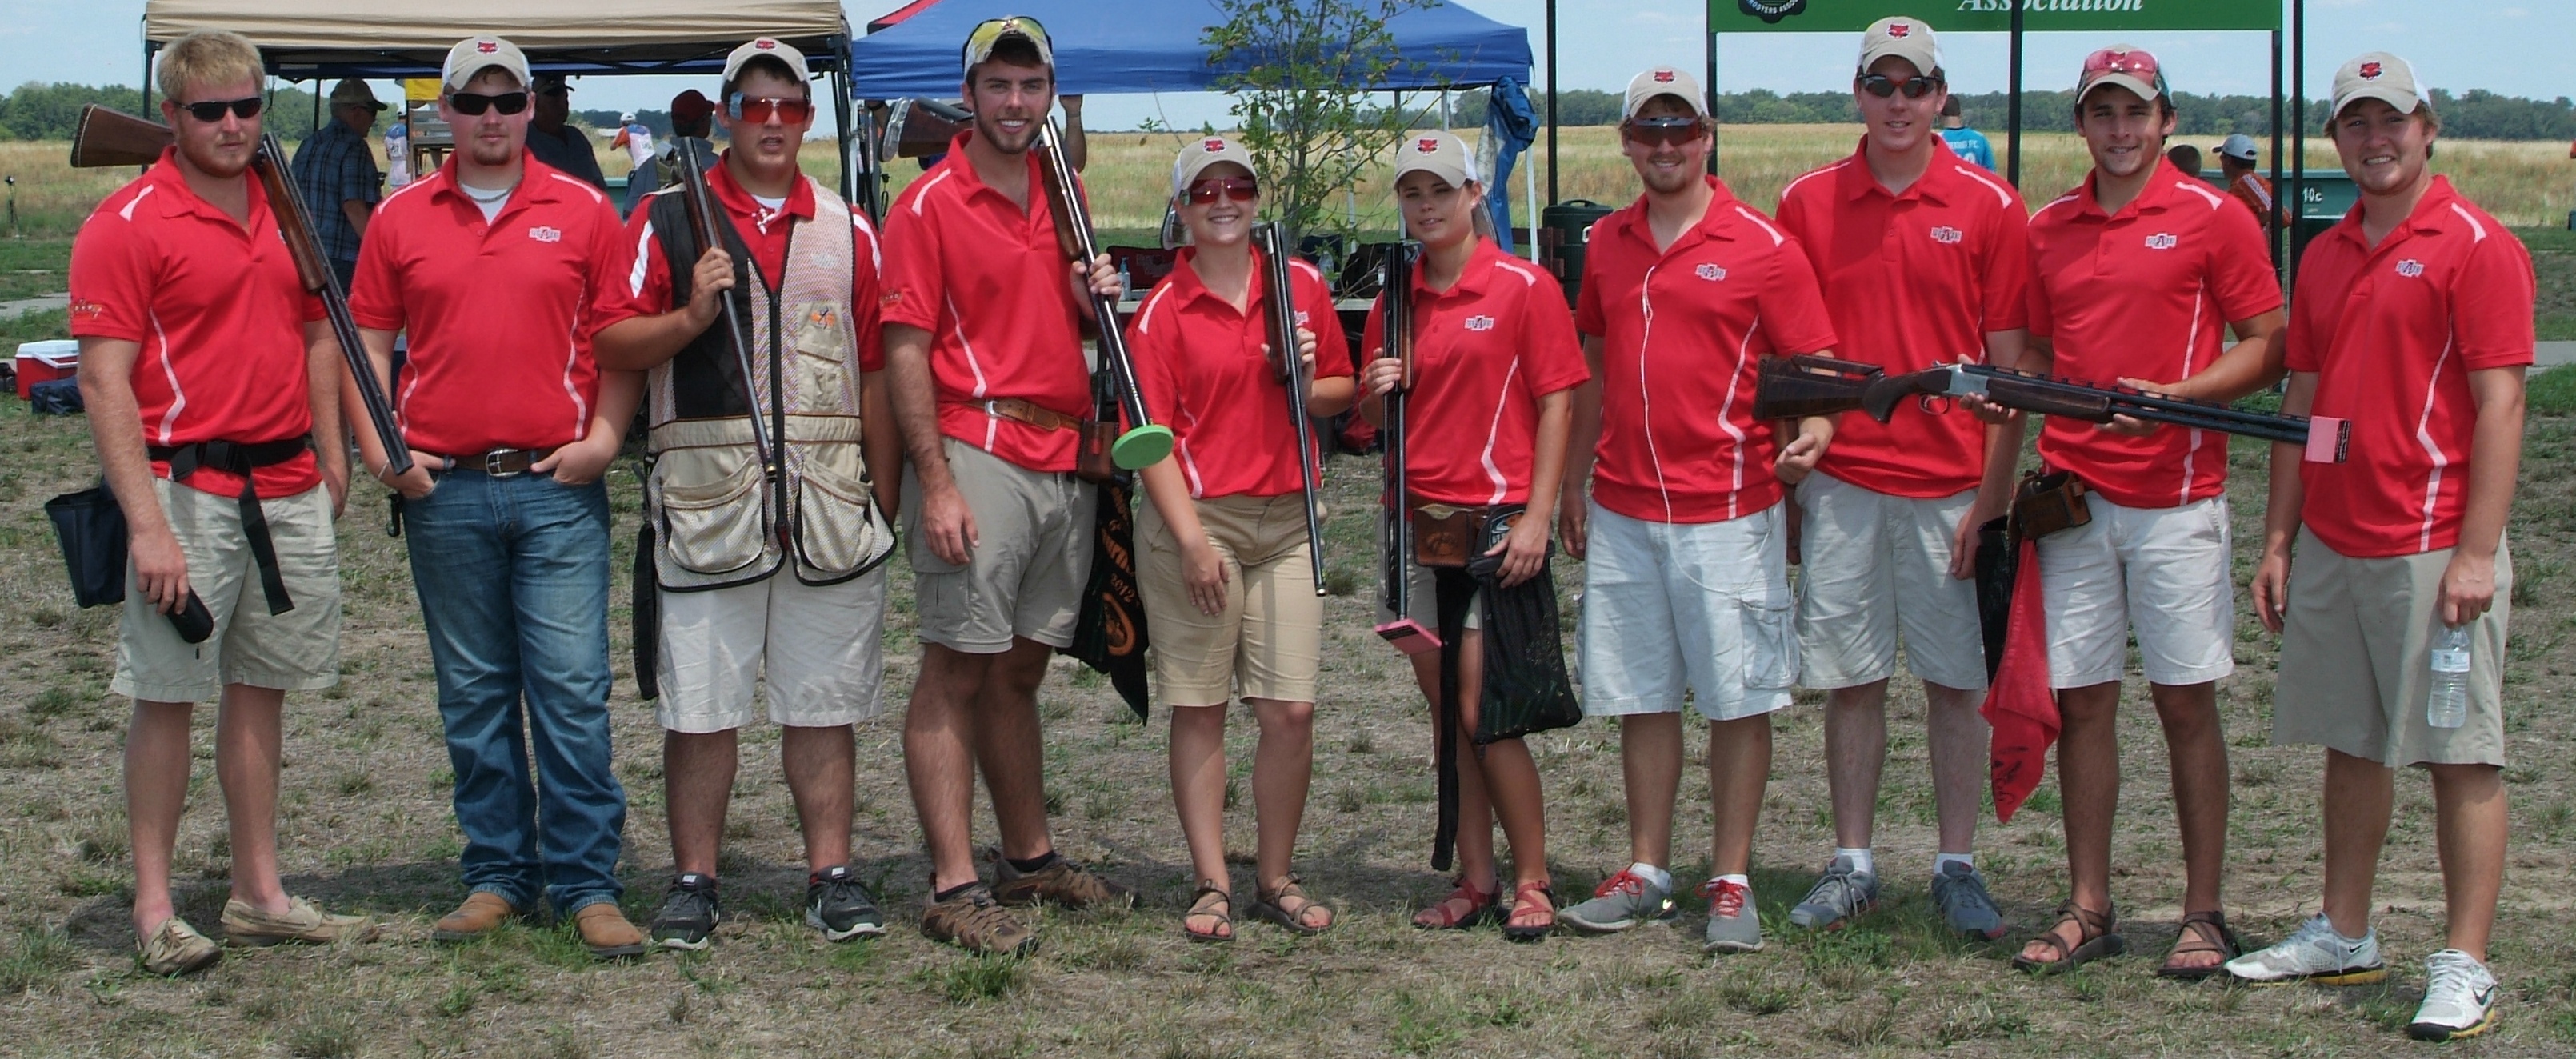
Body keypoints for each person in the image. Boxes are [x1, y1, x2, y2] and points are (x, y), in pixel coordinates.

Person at [2227, 53, 2532, 1044]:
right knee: (2351, 745)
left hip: (2432, 548)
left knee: (2460, 753)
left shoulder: (2475, 244)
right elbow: (2304, 405)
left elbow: (2501, 405)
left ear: (2427, 125)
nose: (2375, 139)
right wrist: (2282, 535)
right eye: (2356, 124)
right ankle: (2344, 932)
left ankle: (2465, 961)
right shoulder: (2322, 254)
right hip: (2337, 544)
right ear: (2335, 140)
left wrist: (2476, 553)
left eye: (2391, 121)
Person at [68, 27, 374, 977]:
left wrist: (334, 460)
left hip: (285, 485)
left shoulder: (287, 209)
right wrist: (149, 526)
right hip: (184, 488)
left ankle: (259, 893)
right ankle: (156, 908)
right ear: (171, 116)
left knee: (262, 691)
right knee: (165, 695)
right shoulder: (125, 225)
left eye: (248, 106)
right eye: (211, 110)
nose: (234, 125)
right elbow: (102, 383)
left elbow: (323, 332)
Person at [590, 37, 905, 953]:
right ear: (725, 115)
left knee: (824, 702)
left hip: (829, 506)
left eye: (788, 106)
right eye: (753, 105)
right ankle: (695, 880)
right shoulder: (664, 216)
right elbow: (610, 340)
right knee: (701, 708)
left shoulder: (850, 228)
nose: (771, 122)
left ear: (806, 118)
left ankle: (831, 875)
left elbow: (879, 368)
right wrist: (689, 316)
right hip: (705, 503)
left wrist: (879, 493)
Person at [345, 34, 648, 960]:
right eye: (470, 102)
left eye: (505, 100)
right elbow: (365, 342)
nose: (488, 118)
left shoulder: (587, 209)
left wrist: (603, 440)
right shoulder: (400, 218)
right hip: (446, 493)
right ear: (443, 111)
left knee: (571, 690)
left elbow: (617, 340)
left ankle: (588, 882)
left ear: (529, 109)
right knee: (473, 693)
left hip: (555, 487)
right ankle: (495, 875)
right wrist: (383, 456)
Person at [2010, 45, 2286, 977]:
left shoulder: (2215, 216)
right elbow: (2041, 357)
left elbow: (2268, 345)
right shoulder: (2047, 228)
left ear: (2166, 120)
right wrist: (2013, 397)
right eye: (2102, 113)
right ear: (2080, 124)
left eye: (2136, 112)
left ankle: (2203, 912)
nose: (2119, 130)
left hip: (2177, 502)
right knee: (2082, 705)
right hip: (2074, 504)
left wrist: (2175, 392)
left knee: (2184, 706)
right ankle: (2089, 904)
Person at [1557, 66, 1838, 954]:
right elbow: (1593, 363)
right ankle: (1646, 869)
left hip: (1728, 507)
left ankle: (1730, 878)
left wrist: (1819, 430)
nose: (1666, 146)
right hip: (1625, 506)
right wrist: (1573, 479)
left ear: (1707, 136)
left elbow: (1814, 368)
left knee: (1735, 697)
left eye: (1681, 129)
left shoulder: (1763, 243)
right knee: (1641, 693)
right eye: (1650, 131)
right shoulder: (1605, 239)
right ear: (1627, 141)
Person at [1764, 15, 2028, 941]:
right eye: (1881, 86)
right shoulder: (1805, 203)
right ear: (1858, 96)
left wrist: (1990, 505)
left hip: (1951, 489)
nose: (1898, 103)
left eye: (1914, 87)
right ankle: (1854, 861)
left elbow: (2008, 373)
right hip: (1843, 483)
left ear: (1940, 97)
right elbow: (1794, 360)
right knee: (1852, 679)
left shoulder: (1992, 206)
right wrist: (1798, 483)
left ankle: (1956, 864)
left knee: (1957, 684)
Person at [878, 14, 1132, 957]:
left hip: (1060, 453)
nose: (1015, 104)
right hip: (976, 446)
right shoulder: (930, 203)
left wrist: (1091, 289)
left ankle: (1028, 859)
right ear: (970, 93)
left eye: (1031, 88)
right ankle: (952, 884)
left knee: (1018, 670)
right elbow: (906, 348)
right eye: (998, 86)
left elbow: (1069, 317)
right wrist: (934, 483)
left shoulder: (1065, 194)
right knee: (954, 667)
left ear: (1048, 95)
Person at [1123, 137, 1356, 941]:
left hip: (1290, 519)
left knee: (1290, 709)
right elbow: (1147, 439)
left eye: (1239, 186)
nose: (1224, 200)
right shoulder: (1160, 311)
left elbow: (1340, 391)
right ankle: (1212, 881)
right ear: (1181, 210)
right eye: (1205, 190)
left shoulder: (1299, 285)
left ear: (1256, 199)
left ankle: (1276, 876)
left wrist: (1300, 372)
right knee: (1202, 706)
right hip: (1198, 519)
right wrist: (1189, 541)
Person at [1356, 131, 1586, 941]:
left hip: (1492, 526)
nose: (1427, 207)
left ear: (1475, 192)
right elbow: (1365, 420)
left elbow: (1558, 399)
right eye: (1413, 193)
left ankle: (1533, 877)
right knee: (1447, 715)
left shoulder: (1524, 286)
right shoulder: (1395, 296)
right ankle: (1475, 874)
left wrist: (1538, 511)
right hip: (1415, 529)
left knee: (1484, 708)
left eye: (1442, 190)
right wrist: (1373, 383)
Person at [288, 77, 385, 293]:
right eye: (372, 113)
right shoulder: (354, 147)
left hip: (305, 257)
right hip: (343, 261)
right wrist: (382, 254)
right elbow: (354, 208)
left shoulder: (309, 144)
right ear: (357, 111)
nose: (373, 121)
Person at [522, 74, 607, 190]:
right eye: (554, 100)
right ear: (534, 103)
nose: (562, 105)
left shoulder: (576, 137)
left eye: (565, 98)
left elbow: (597, 183)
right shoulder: (524, 139)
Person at [645, 90, 719, 199]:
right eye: (709, 116)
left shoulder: (648, 166)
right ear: (703, 121)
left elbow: (630, 211)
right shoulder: (718, 166)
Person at [2217, 133, 2289, 231]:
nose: (2221, 162)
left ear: (2228, 160)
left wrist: (2244, 229)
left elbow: (2279, 215)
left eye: (2222, 157)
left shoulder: (2246, 181)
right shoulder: (2247, 181)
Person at [611, 110, 657, 215]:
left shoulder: (625, 131)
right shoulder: (646, 129)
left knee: (632, 203)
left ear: (622, 123)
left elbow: (612, 147)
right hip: (654, 163)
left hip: (641, 166)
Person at [1938, 94, 1994, 171]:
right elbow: (1990, 173)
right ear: (1960, 114)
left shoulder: (1937, 140)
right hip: (1974, 183)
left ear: (1939, 114)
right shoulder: (1980, 138)